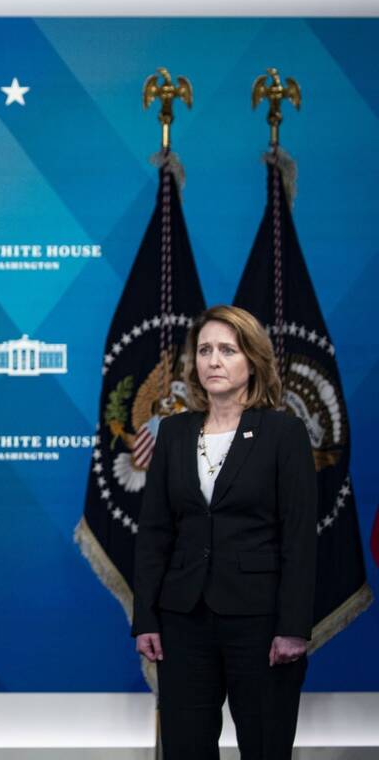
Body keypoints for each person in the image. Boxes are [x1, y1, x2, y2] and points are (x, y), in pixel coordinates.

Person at [132, 304, 316, 759]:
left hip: (261, 622)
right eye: (205, 350)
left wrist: (293, 627)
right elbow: (154, 532)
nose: (213, 360)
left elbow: (299, 537)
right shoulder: (173, 433)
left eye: (227, 350)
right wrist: (146, 619)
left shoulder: (283, 432)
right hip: (182, 619)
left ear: (252, 360)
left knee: (265, 748)